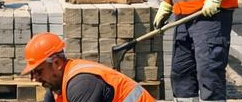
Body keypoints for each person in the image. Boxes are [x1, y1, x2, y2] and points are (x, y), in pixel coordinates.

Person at [23, 33, 156, 102]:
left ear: (57, 64)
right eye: (32, 73)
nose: (35, 78)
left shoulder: (81, 84)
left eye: (38, 71)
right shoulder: (56, 87)